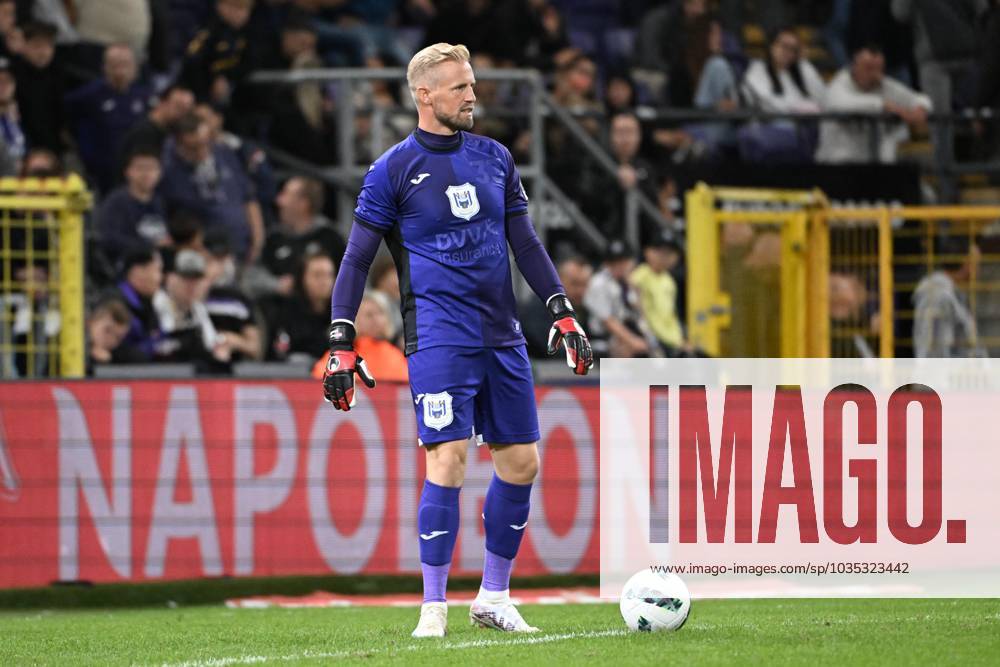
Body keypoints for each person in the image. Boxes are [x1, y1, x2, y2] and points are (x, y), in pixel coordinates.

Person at [321, 43, 592, 638]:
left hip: (503, 336)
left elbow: (526, 244)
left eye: (472, 84)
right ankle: (433, 608)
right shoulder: (392, 168)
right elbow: (356, 258)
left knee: (522, 462)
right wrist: (343, 337)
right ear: (424, 95)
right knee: (449, 459)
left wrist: (562, 312)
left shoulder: (495, 158)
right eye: (459, 87)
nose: (473, 95)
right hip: (439, 336)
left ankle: (493, 596)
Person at [158, 112, 264, 263]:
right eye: (194, 147)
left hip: (244, 246)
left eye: (206, 143)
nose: (202, 152)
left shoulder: (223, 152)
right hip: (208, 256)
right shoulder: (169, 174)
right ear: (178, 145)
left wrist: (258, 240)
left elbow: (249, 197)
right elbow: (177, 225)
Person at [817, 45, 931, 164]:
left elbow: (919, 99)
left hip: (873, 164)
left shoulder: (883, 84)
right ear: (855, 66)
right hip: (837, 163)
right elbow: (839, 103)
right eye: (869, 68)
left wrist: (920, 109)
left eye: (879, 68)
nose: (875, 74)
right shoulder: (840, 83)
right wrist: (885, 105)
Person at [64, 43, 151, 193]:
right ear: (104, 67)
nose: (120, 71)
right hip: (101, 173)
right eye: (114, 65)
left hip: (136, 171)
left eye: (125, 65)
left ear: (135, 68)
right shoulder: (87, 96)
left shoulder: (144, 96)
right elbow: (68, 122)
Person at [246, 176, 346, 298]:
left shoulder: (331, 237)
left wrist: (322, 284)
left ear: (303, 204)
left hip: (326, 314)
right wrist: (277, 285)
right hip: (280, 312)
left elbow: (354, 278)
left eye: (285, 194)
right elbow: (250, 277)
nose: (278, 201)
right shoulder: (273, 238)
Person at [153, 248, 232, 367]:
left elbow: (211, 344)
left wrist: (222, 346)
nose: (192, 286)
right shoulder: (158, 303)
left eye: (197, 280)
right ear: (170, 278)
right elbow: (163, 346)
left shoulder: (198, 308)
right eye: (185, 279)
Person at [312, 290, 408, 383]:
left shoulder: (395, 355)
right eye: (369, 315)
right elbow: (318, 384)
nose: (377, 319)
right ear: (354, 321)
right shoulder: (341, 354)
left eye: (380, 313)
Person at [584, 239, 658, 358]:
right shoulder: (598, 283)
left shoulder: (627, 282)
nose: (619, 266)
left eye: (623, 261)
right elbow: (607, 321)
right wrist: (633, 341)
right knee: (629, 350)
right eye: (614, 262)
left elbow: (638, 313)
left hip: (624, 333)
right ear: (606, 263)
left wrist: (634, 288)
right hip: (599, 338)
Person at [260, 249, 337, 362]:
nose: (324, 281)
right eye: (317, 275)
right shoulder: (285, 313)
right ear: (302, 278)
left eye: (329, 275)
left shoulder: (341, 313)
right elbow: (280, 354)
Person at [97, 147, 168, 266]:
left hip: (159, 265)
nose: (146, 174)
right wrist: (148, 246)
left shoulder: (161, 201)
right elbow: (109, 239)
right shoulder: (116, 202)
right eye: (140, 168)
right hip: (129, 265)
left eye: (151, 168)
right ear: (127, 171)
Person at [913, 236, 980, 358]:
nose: (978, 270)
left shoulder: (952, 295)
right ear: (967, 263)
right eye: (976, 263)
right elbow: (933, 352)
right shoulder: (937, 295)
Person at [630, 230, 686, 354]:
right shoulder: (640, 275)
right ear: (647, 252)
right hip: (651, 338)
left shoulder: (669, 281)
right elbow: (638, 310)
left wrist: (679, 339)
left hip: (671, 339)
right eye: (660, 252)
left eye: (669, 253)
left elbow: (670, 315)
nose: (664, 257)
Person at [117, 84, 195, 172]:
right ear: (162, 102)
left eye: (187, 110)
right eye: (179, 107)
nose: (183, 114)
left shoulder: (174, 129)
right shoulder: (143, 133)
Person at [108, 245, 163, 363]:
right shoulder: (113, 303)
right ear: (138, 271)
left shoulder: (148, 304)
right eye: (157, 270)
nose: (160, 278)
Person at [86, 297, 131, 372]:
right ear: (90, 322)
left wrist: (104, 364)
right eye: (107, 331)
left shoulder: (119, 357)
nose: (111, 340)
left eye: (118, 337)